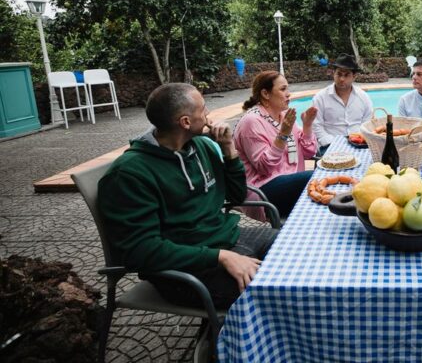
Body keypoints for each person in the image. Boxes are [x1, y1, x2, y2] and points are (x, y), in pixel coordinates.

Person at [98, 83, 278, 309]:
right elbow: (140, 251)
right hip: (184, 270)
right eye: (203, 109)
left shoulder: (202, 146)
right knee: (277, 290)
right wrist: (220, 257)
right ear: (185, 122)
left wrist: (229, 151)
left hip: (228, 239)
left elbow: (237, 194)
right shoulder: (129, 174)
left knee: (298, 251)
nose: (208, 114)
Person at [234, 71, 318, 218]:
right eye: (283, 89)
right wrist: (283, 135)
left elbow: (309, 153)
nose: (288, 94)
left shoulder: (284, 117)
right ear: (266, 94)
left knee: (321, 185)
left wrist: (307, 126)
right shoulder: (251, 122)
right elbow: (265, 167)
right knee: (315, 179)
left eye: (288, 89)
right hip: (264, 190)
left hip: (291, 182)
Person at [311, 54, 373, 154]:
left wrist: (359, 139)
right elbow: (316, 126)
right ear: (333, 74)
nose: (342, 79)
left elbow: (367, 123)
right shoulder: (320, 98)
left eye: (346, 75)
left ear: (354, 76)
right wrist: (333, 143)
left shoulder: (363, 97)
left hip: (359, 144)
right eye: (339, 74)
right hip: (330, 145)